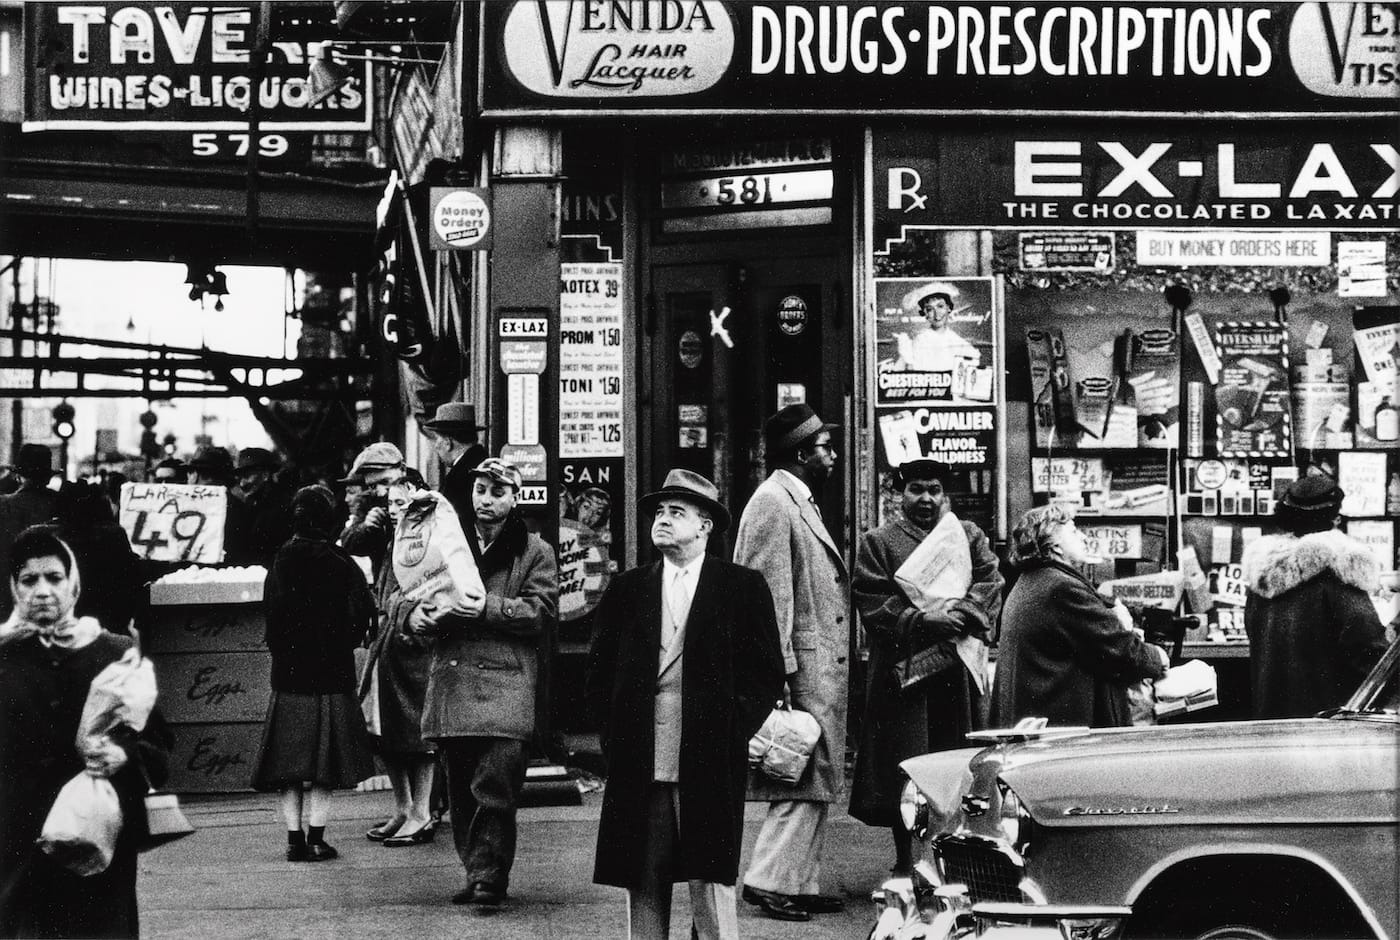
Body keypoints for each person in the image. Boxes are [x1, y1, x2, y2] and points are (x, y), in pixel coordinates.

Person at [587, 469, 783, 940]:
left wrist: (731, 730)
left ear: (705, 526)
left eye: (677, 512)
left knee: (710, 877)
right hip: (640, 755)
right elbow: (598, 673)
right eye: (659, 511)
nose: (663, 520)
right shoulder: (629, 588)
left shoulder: (741, 586)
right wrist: (614, 736)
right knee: (642, 875)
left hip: (709, 753)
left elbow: (766, 673)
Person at [0, 528, 172, 938]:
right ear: (13, 587)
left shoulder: (112, 651)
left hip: (96, 840)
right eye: (29, 580)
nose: (43, 591)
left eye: (54, 578)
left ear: (72, 581)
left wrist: (124, 755)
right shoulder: (3, 656)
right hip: (18, 842)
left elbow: (158, 741)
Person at [849, 459, 1004, 874]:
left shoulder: (966, 535)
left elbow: (991, 580)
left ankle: (953, 859)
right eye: (916, 489)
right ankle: (907, 860)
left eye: (934, 490)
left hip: (955, 672)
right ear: (900, 495)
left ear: (945, 495)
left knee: (956, 764)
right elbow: (871, 598)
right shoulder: (878, 543)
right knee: (909, 765)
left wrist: (967, 612)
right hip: (906, 676)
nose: (926, 499)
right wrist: (921, 620)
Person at [414, 458, 557, 908]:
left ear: (515, 497)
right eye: (480, 490)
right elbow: (408, 595)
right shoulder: (445, 544)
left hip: (506, 685)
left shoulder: (535, 551)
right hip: (454, 682)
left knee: (494, 786)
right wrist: (419, 617)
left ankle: (488, 877)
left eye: (498, 492)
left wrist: (486, 608)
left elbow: (541, 613)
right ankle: (478, 870)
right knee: (461, 789)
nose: (487, 501)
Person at [732, 403, 849, 922]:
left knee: (814, 775)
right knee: (798, 772)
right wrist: (775, 673)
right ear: (802, 454)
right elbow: (764, 594)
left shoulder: (794, 499)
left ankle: (799, 880)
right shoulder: (773, 503)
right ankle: (767, 879)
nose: (833, 455)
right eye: (825, 447)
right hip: (801, 667)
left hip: (814, 662)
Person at [250, 486, 375, 862]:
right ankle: (318, 839)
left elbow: (271, 614)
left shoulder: (282, 559)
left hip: (289, 677)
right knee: (325, 767)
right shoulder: (342, 562)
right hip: (332, 675)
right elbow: (362, 616)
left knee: (289, 767)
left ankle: (293, 839)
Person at [990, 504, 1168, 728]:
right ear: (1054, 545)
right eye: (1074, 531)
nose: (1083, 537)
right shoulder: (1060, 588)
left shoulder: (1032, 582)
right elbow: (1117, 649)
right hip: (1064, 731)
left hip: (1043, 723)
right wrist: (1158, 657)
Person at [343, 446, 438, 848]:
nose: (383, 493)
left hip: (416, 624)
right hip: (387, 625)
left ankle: (422, 811)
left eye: (385, 483)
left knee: (416, 724)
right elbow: (353, 542)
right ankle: (404, 807)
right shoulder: (386, 514)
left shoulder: (427, 509)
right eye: (374, 487)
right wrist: (364, 515)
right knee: (384, 726)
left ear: (402, 473)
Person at [1242, 476, 1388, 719]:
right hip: (1325, 730)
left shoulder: (1263, 575)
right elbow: (1369, 652)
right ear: (1335, 518)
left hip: (1270, 723)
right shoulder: (1339, 576)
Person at [53, 481, 142, 636]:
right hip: (109, 624)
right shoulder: (113, 533)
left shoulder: (56, 537)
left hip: (70, 626)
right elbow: (131, 576)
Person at [0, 444, 59, 621]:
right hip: (53, 599)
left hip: (10, 599)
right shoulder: (63, 503)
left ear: (18, 476)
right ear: (48, 478)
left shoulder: (4, 505)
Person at [893, 284, 981, 375]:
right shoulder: (920, 340)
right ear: (925, 314)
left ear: (948, 308)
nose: (937, 314)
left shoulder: (957, 341)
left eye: (940, 306)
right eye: (930, 309)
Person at [227, 447, 293, 568]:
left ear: (265, 474)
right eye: (239, 478)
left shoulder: (283, 506)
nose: (242, 484)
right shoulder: (250, 506)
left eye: (246, 476)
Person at [423, 402, 488, 522]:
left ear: (448, 443)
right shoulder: (483, 463)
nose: (436, 445)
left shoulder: (458, 479)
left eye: (437, 439)